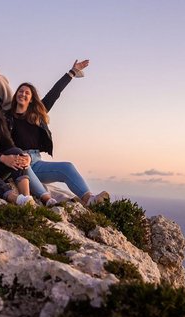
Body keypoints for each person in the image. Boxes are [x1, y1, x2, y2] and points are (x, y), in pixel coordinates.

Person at [8, 59, 109, 207]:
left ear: (31, 99)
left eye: (27, 93)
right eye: (20, 91)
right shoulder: (7, 117)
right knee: (23, 162)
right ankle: (47, 200)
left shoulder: (36, 114)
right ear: (16, 95)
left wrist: (72, 72)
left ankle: (89, 199)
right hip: (19, 159)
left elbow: (55, 92)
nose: (23, 94)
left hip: (37, 161)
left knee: (67, 167)